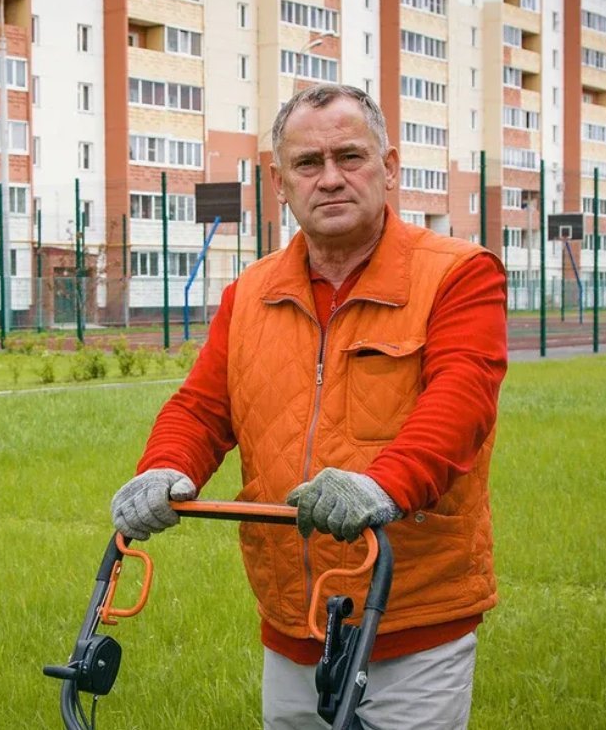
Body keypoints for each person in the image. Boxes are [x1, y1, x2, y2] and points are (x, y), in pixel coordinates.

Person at [111, 84, 507, 729]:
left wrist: (383, 485)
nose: (330, 179)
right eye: (307, 164)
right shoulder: (251, 293)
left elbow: (461, 403)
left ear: (390, 166)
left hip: (412, 615)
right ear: (280, 181)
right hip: (291, 615)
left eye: (350, 157)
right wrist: (164, 466)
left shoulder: (458, 274)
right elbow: (204, 409)